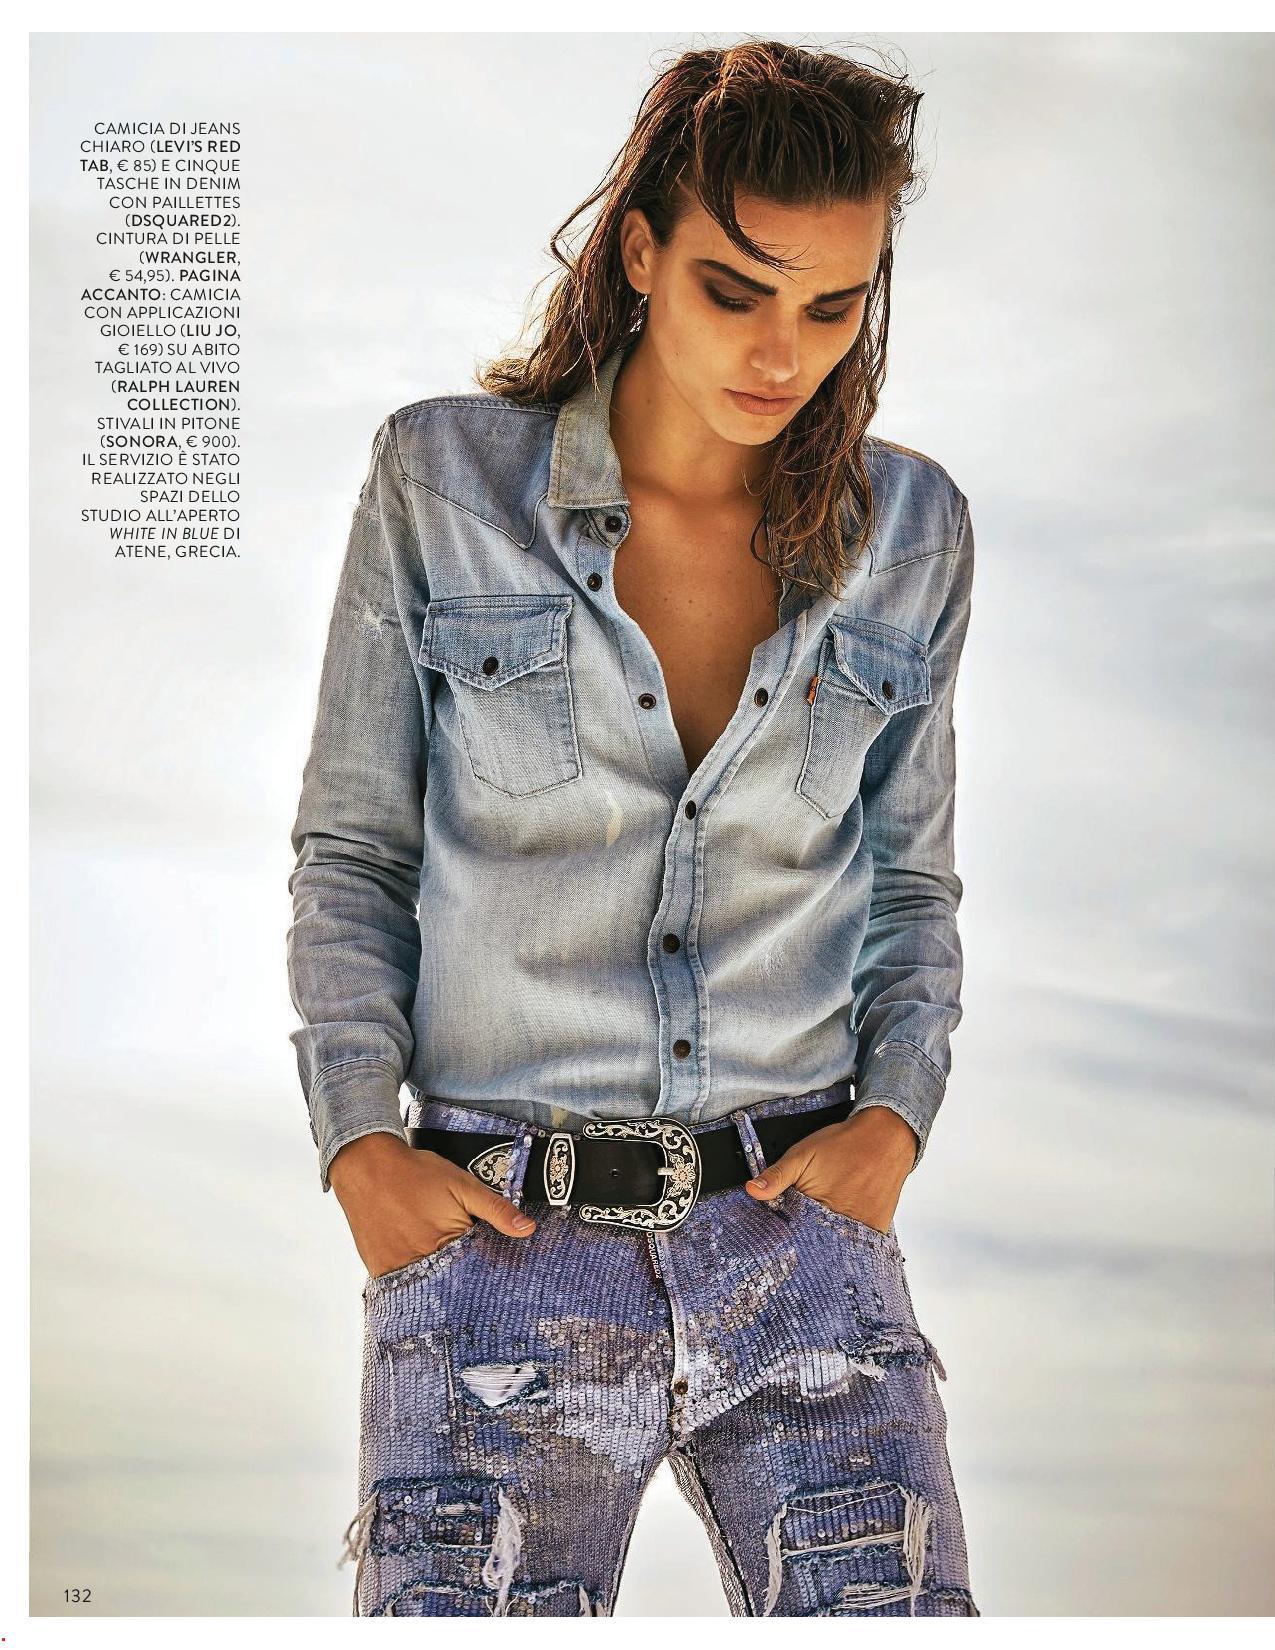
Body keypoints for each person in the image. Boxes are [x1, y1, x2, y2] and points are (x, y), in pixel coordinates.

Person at [286, 38, 979, 1618]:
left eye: (834, 305)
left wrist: (896, 1117)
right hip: (496, 1253)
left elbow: (912, 885)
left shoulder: (914, 533)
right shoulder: (442, 482)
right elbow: (354, 852)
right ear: (645, 251)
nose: (783, 352)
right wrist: (361, 1145)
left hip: (803, 1251)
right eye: (738, 290)